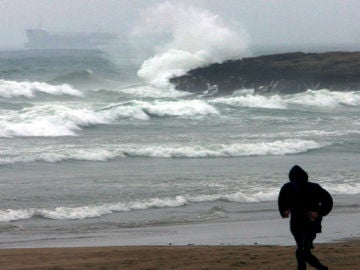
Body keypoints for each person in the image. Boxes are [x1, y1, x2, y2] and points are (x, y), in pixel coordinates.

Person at [278, 165, 333, 270]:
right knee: (302, 249)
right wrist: (284, 210)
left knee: (302, 250)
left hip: (311, 223)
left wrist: (318, 212)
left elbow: (328, 201)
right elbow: (282, 201)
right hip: (295, 223)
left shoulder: (314, 187)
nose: (297, 184)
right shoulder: (287, 187)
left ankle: (321, 268)